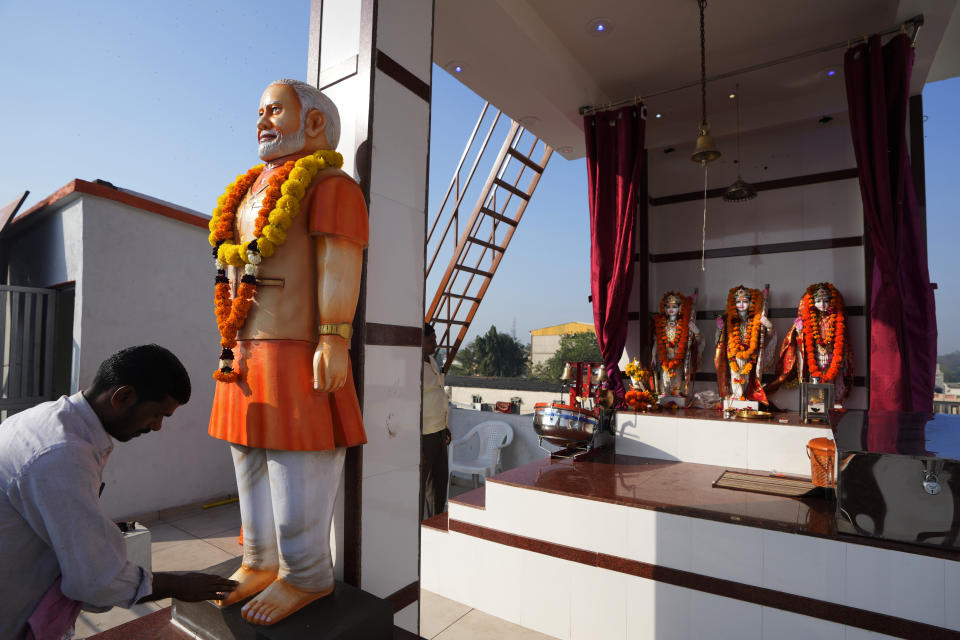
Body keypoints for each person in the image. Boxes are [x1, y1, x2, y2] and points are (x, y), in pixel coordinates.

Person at [206, 79, 368, 626]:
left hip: (298, 349)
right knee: (245, 454)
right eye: (259, 111)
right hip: (242, 349)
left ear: (315, 123)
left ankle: (305, 574)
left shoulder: (330, 185)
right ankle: (259, 560)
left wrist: (333, 337)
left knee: (295, 462)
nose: (262, 120)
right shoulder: (252, 187)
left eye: (275, 109)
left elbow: (339, 265)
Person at [0, 344, 237, 640]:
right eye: (156, 415)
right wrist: (178, 584)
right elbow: (96, 581)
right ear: (123, 397)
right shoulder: (62, 454)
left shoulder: (51, 419)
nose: (157, 426)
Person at [714, 285, 776, 405]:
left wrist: (769, 326)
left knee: (747, 376)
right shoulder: (728, 319)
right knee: (734, 374)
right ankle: (736, 396)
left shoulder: (756, 318)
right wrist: (719, 328)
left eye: (745, 301)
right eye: (738, 301)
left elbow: (769, 336)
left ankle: (746, 396)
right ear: (733, 304)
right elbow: (720, 338)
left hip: (751, 353)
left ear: (750, 303)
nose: (741, 304)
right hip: (732, 352)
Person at [421, 324, 451, 519]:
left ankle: (435, 523)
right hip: (424, 434)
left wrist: (445, 426)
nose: (435, 343)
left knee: (439, 483)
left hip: (439, 430)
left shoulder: (431, 362)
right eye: (431, 340)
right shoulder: (413, 365)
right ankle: (415, 529)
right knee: (421, 483)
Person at [650, 291, 702, 402]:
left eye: (674, 306)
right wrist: (653, 355)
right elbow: (657, 341)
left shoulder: (683, 324)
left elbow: (698, 340)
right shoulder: (661, 324)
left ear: (680, 308)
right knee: (665, 384)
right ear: (664, 309)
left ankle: (677, 397)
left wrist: (696, 331)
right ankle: (666, 398)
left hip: (678, 357)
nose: (671, 309)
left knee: (677, 384)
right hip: (664, 358)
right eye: (668, 306)